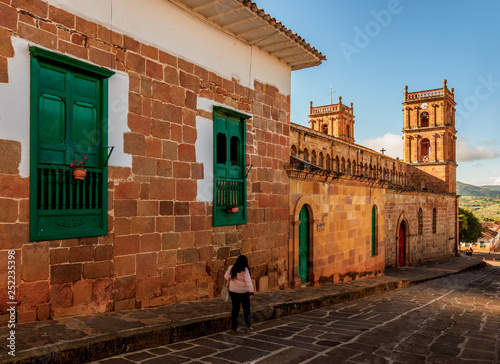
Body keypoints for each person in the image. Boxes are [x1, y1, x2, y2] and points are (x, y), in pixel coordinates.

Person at [224, 255, 254, 335]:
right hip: (244, 292)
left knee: (235, 310)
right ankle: (248, 326)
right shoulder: (245, 270)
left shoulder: (231, 268)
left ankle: (234, 328)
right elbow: (248, 282)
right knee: (246, 309)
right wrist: (251, 292)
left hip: (233, 291)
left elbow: (226, 277)